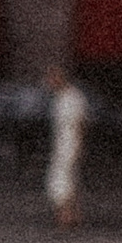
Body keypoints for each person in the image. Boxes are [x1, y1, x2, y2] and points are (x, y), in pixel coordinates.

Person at [45, 64, 90, 229]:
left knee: (62, 181)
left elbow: (80, 124)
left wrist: (79, 147)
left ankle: (66, 216)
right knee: (65, 180)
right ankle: (71, 214)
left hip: (70, 145)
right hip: (61, 143)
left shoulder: (74, 97)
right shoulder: (59, 98)